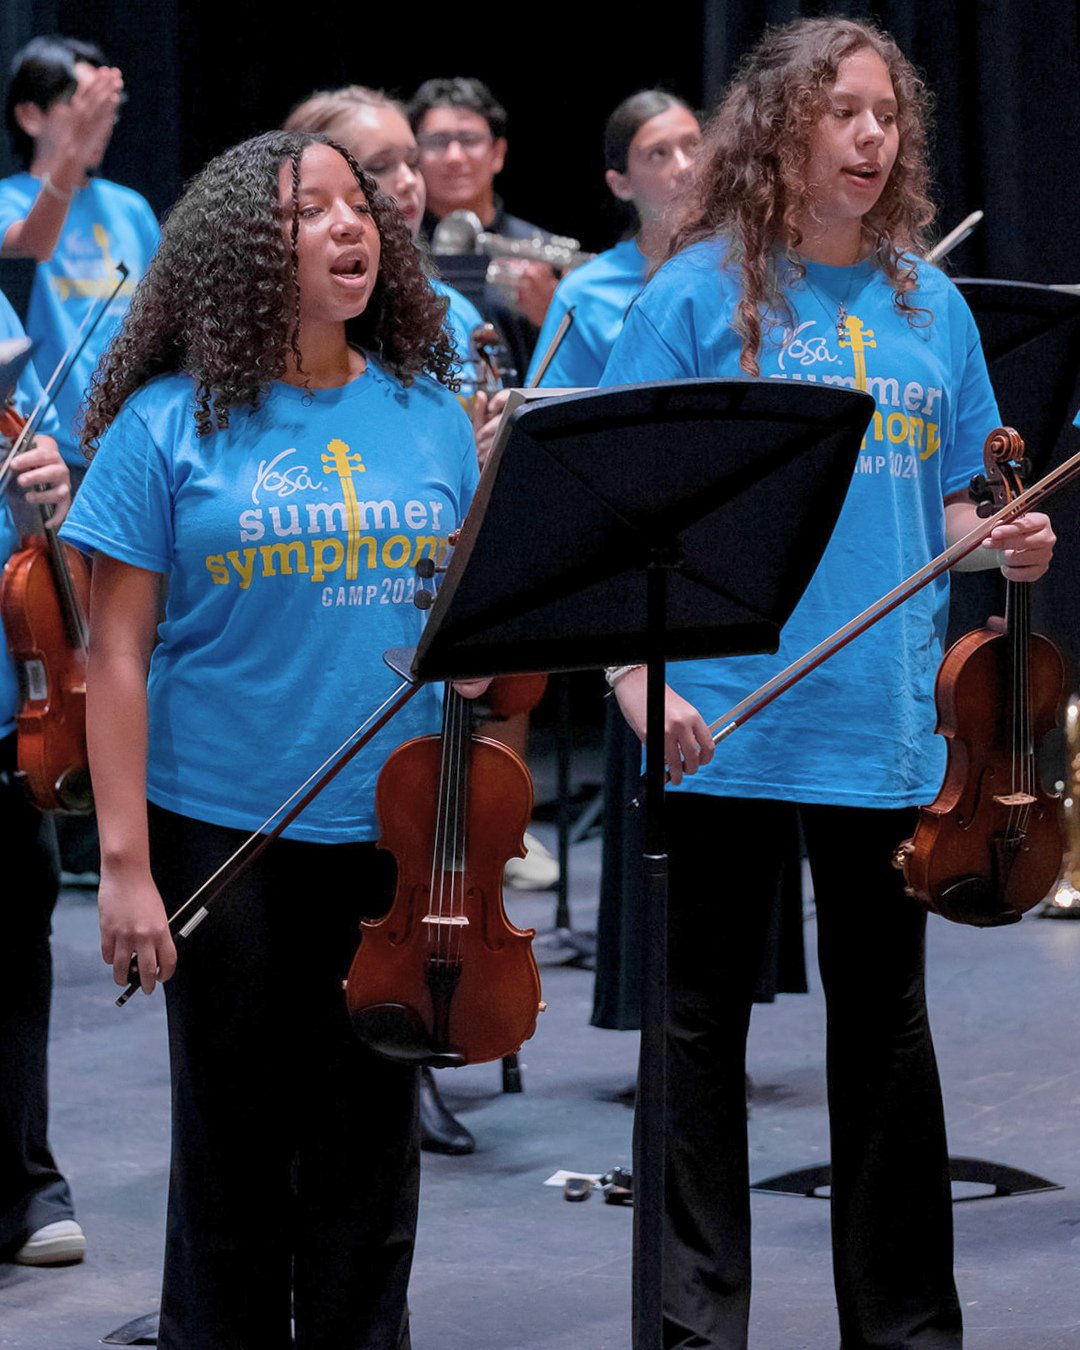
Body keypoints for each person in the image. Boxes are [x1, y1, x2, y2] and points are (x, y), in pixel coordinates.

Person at [600, 18, 1056, 1350]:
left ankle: (905, 1326)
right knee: (697, 1045)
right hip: (722, 721)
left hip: (882, 718)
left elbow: (972, 494)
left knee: (886, 1037)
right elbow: (622, 507)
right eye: (842, 113)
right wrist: (636, 678)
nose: (870, 138)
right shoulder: (694, 298)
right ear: (783, 130)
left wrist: (1007, 533)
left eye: (887, 116)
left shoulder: (934, 306)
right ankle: (695, 1326)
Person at [61, 129, 482, 1349]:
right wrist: (127, 869)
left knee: (370, 1167)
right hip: (221, 834)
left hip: (394, 838)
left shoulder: (433, 417)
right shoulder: (162, 427)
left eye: (361, 209)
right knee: (234, 1165)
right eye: (314, 213)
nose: (352, 228)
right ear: (251, 247)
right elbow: (115, 659)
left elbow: (471, 658)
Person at [0, 291, 82, 1266]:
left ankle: (26, 1183)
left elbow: (61, 572)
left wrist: (48, 505)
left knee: (15, 957)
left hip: (12, 722)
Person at [0, 35, 159, 475]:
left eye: (106, 108)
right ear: (31, 116)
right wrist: (71, 151)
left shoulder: (131, 208)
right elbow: (33, 247)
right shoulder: (7, 200)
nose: (101, 121)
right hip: (53, 453)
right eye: (82, 103)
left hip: (131, 448)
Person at [526, 89, 700, 389]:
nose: (685, 167)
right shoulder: (584, 293)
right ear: (621, 184)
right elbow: (547, 414)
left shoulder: (751, 265)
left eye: (694, 146)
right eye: (659, 154)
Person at [409, 76, 557, 373]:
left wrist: (554, 316)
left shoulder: (544, 250)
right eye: (437, 142)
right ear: (414, 155)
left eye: (469, 140)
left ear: (498, 153)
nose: (454, 156)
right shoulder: (396, 250)